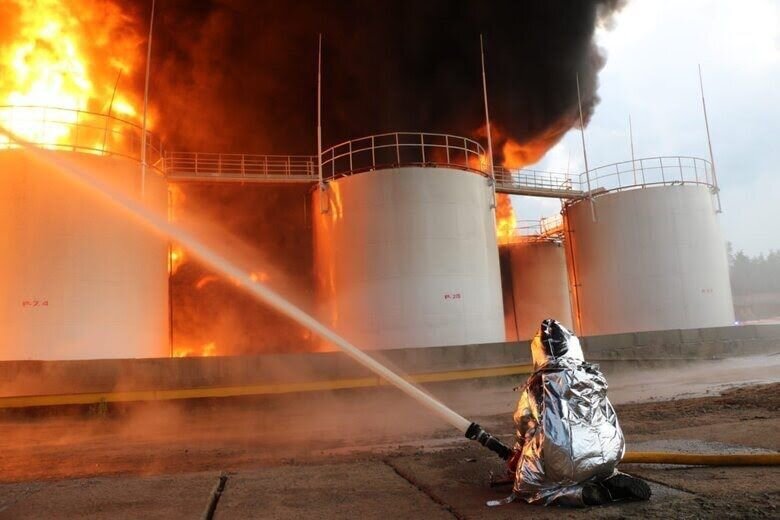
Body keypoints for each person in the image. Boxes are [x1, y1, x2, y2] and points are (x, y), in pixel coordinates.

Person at [489, 318, 651, 507]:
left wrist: (520, 452)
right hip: (609, 453)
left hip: (566, 461)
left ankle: (578, 494)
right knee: (592, 465)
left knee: (527, 486)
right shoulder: (592, 376)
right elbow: (608, 415)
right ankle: (608, 478)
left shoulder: (538, 384)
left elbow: (523, 421)